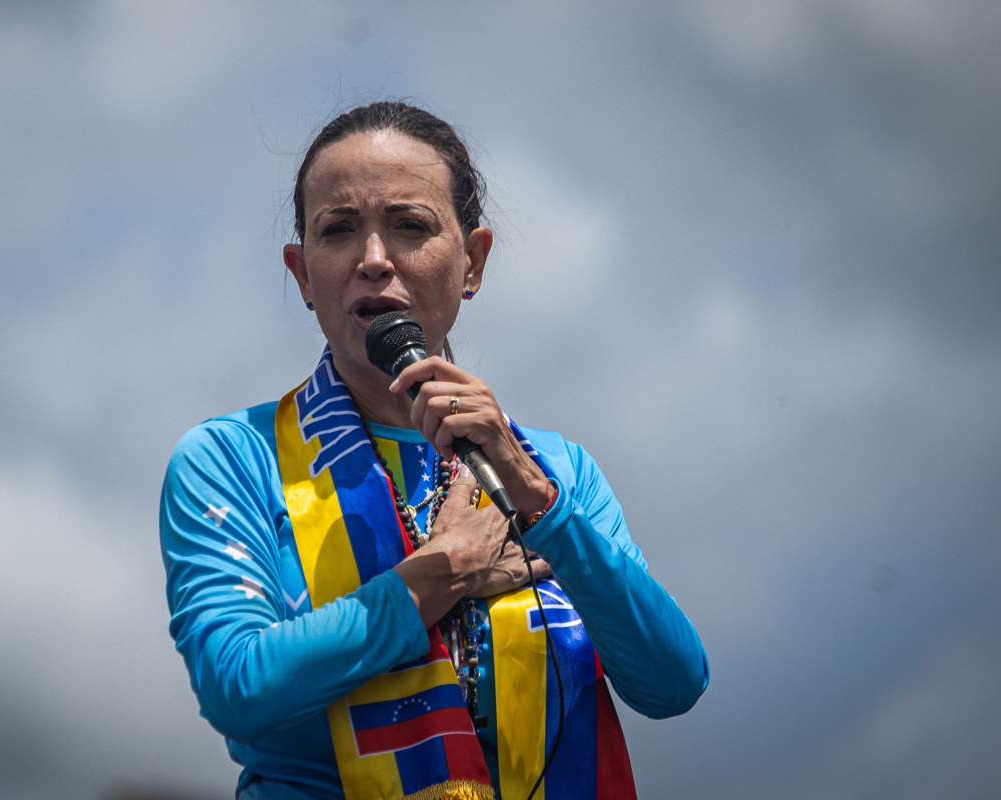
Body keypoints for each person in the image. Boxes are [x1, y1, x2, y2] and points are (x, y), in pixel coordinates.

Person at [160, 101, 708, 800]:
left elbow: (673, 683)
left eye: (411, 227)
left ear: (473, 262)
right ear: (302, 275)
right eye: (339, 231)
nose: (374, 261)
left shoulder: (558, 473)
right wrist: (440, 574)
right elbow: (238, 685)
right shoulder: (232, 460)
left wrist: (543, 507)